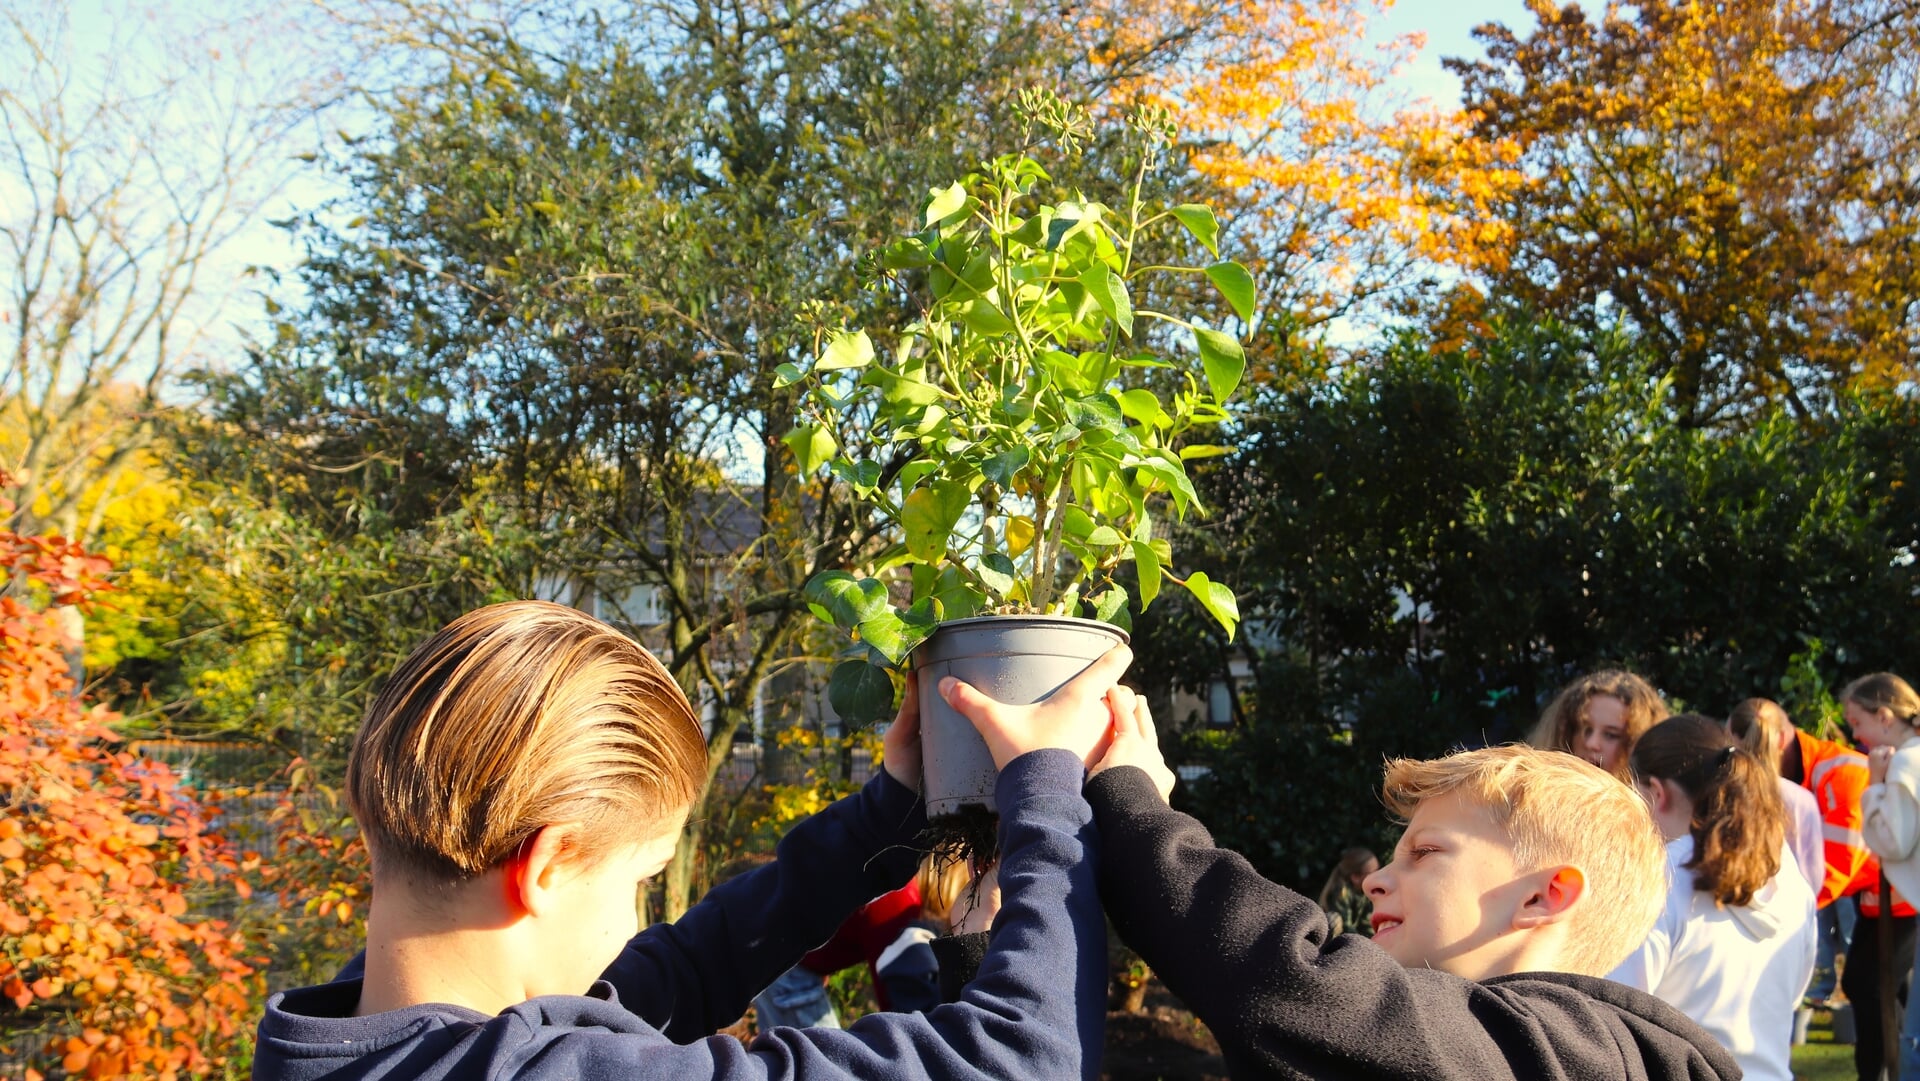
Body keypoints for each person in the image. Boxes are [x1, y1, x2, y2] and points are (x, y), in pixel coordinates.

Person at [251, 600, 1130, 1081]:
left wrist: (888, 811)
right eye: (638, 882)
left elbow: (676, 973)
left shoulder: (357, 1033)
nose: (635, 921)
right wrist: (1045, 794)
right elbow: (1018, 1061)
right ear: (549, 864)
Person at [951, 686, 1741, 1079]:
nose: (1378, 883)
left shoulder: (1570, 1051)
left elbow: (1294, 982)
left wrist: (1128, 801)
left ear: (1543, 895)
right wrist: (990, 959)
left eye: (1426, 852)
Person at [1610, 715, 1816, 1081]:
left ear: (1657, 794)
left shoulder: (1660, 876)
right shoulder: (1790, 878)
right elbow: (1792, 998)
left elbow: (1614, 1009)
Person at [1729, 697, 1856, 1006]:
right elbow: (1813, 876)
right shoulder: (1799, 799)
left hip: (1731, 917)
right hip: (1788, 923)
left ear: (1732, 739)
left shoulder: (1721, 790)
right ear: (1780, 739)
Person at [1847, 673, 1920, 1081]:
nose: (1857, 736)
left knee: (1914, 1048)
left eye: (1858, 723)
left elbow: (1892, 841)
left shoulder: (1907, 761)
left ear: (1885, 716)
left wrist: (1874, 784)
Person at [1527, 669, 1669, 782]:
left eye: (1611, 735)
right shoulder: (1534, 805)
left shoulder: (1651, 816)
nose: (1591, 743)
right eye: (1585, 729)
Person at [1315, 847, 1379, 937]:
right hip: (1333, 940)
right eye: (1372, 872)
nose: (1377, 875)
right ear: (1355, 877)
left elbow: (1366, 924)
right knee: (1334, 920)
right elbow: (1346, 927)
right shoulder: (1341, 892)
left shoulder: (1364, 892)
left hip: (1352, 939)